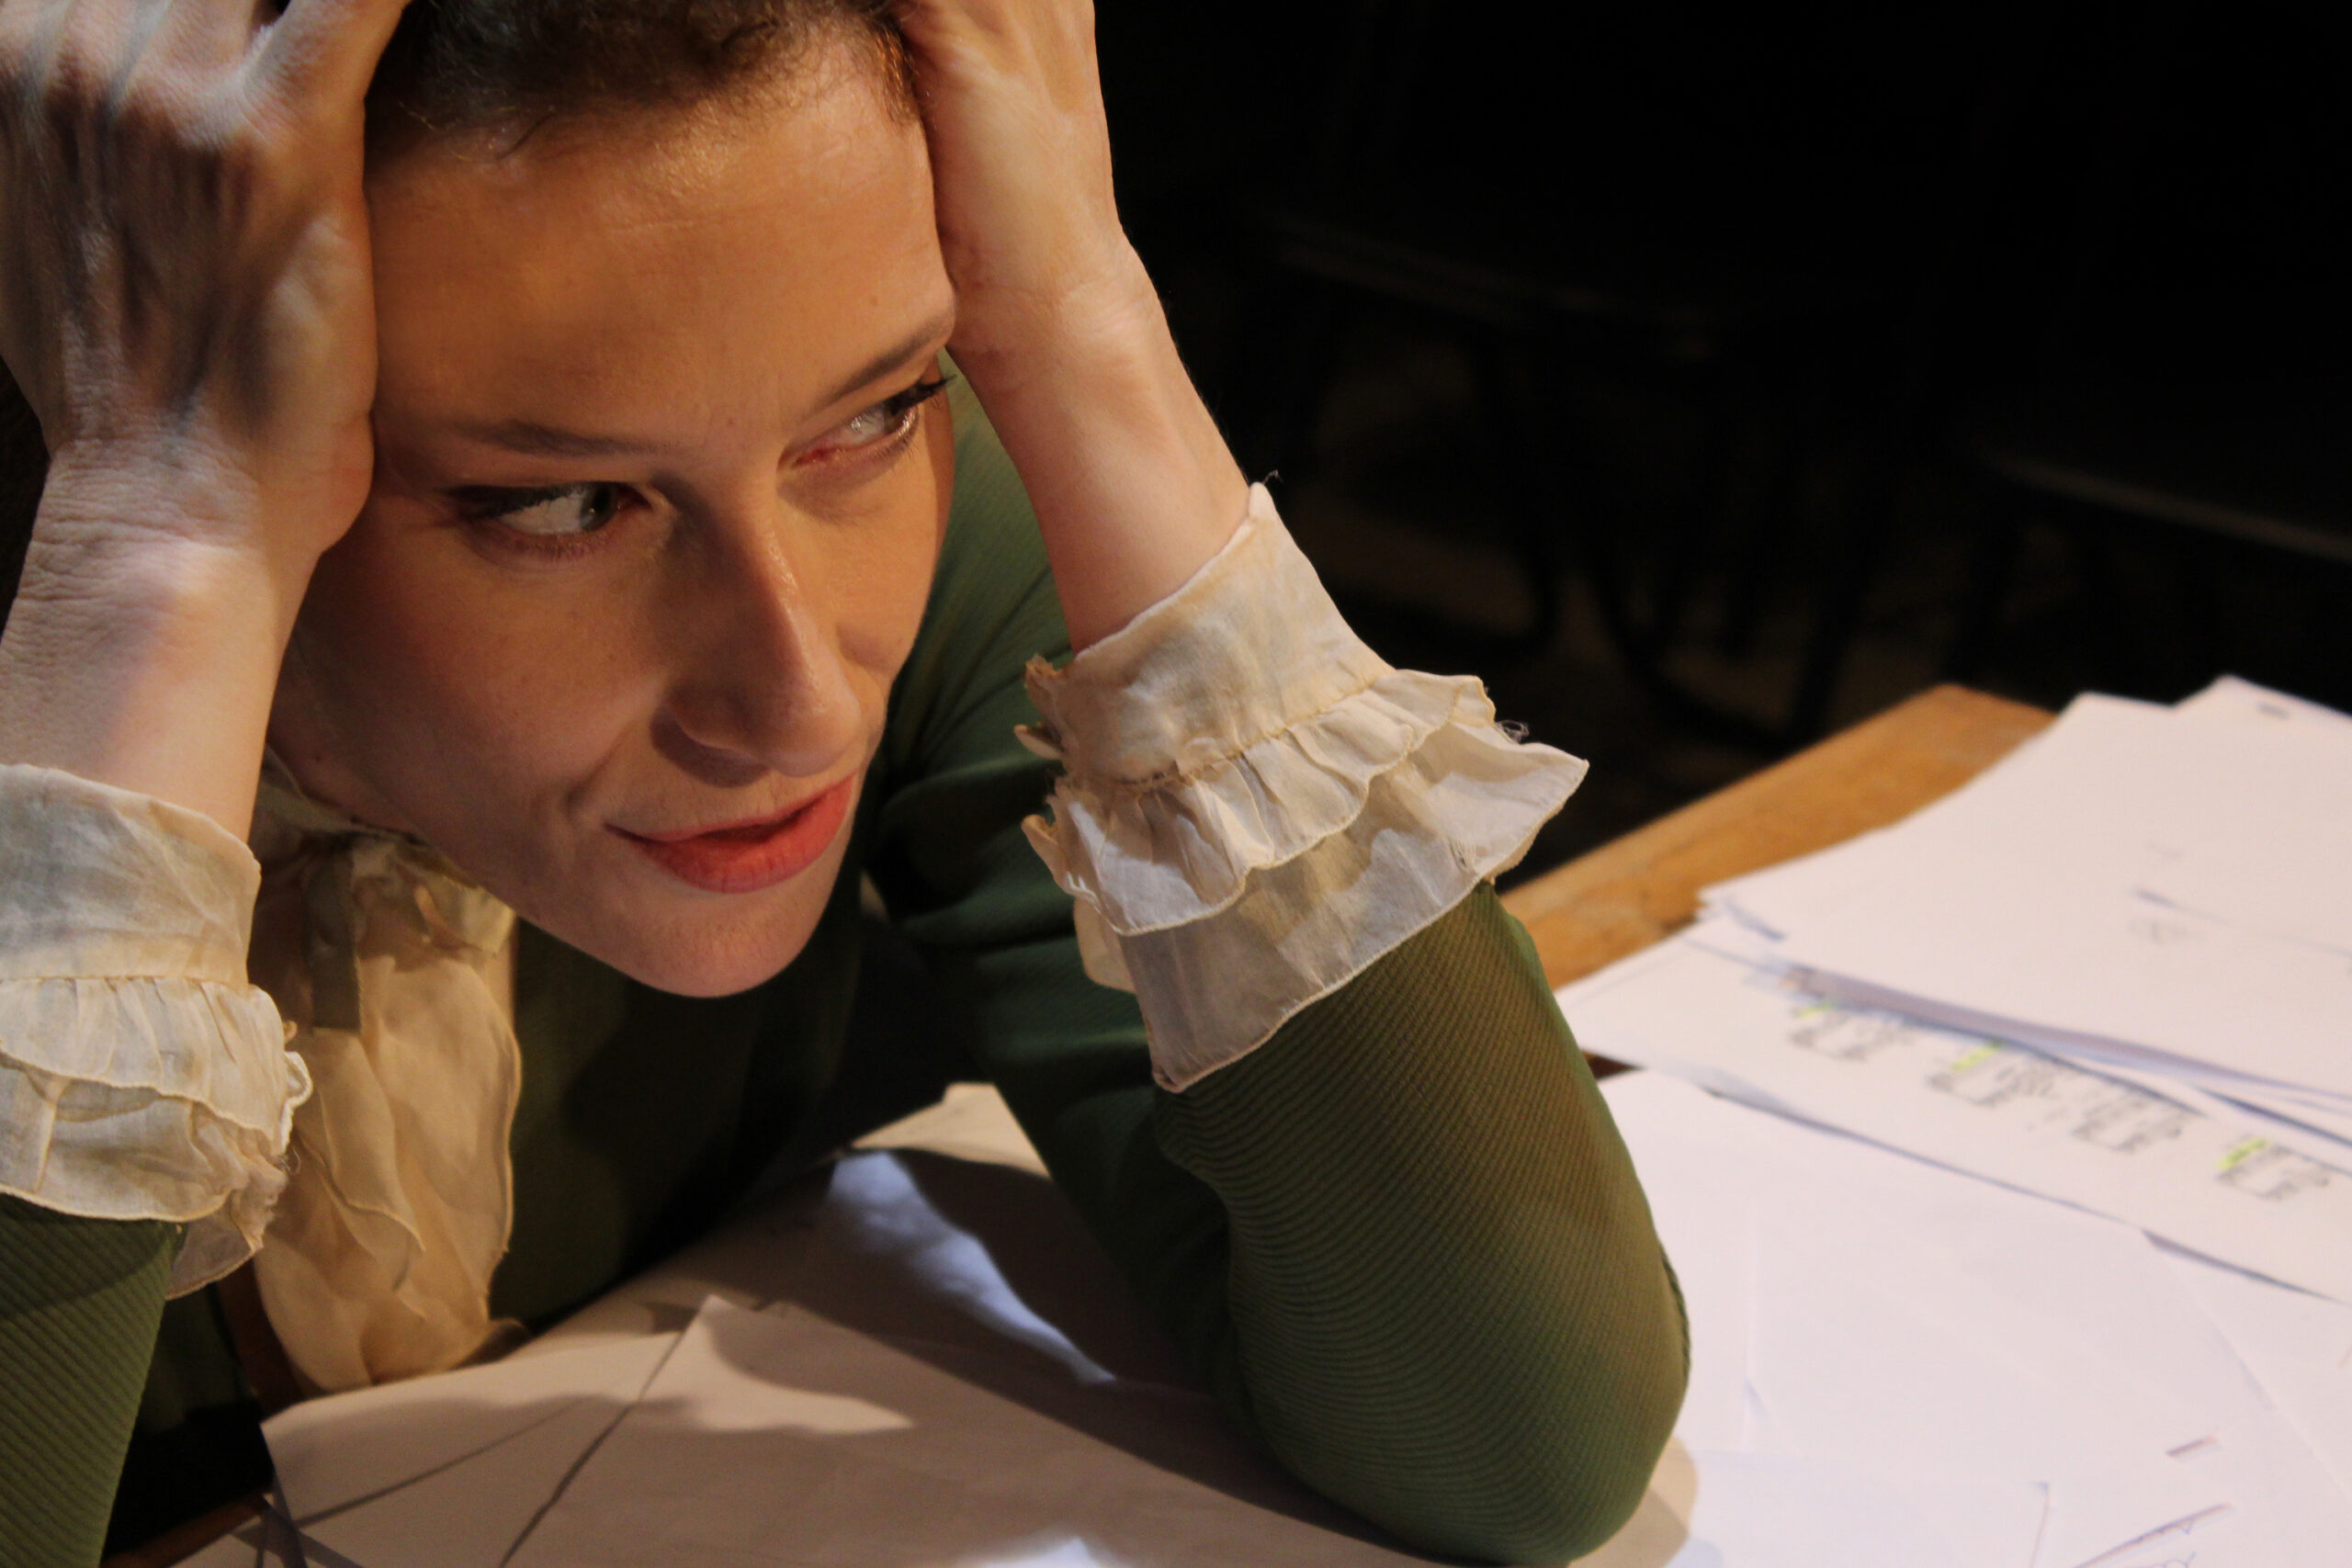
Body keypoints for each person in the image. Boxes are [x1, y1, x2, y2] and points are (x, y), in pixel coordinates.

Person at [0, 0, 1688, 1562]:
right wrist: (155, 562)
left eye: (876, 409)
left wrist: (1085, 321)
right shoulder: (106, 595)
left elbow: (1515, 1440)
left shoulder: (920, 541)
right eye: (563, 506)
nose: (802, 699)